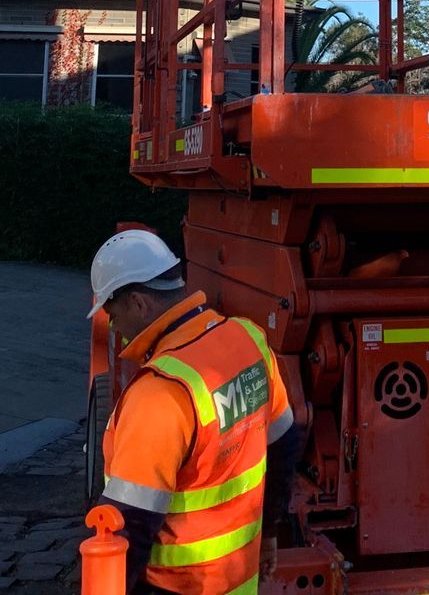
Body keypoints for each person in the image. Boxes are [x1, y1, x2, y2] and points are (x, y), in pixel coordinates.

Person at [90, 229, 300, 595]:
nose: (115, 328)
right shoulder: (248, 340)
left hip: (176, 587)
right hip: (240, 579)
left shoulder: (159, 394)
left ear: (139, 303)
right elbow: (284, 444)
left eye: (112, 312)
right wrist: (269, 532)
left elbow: (129, 525)